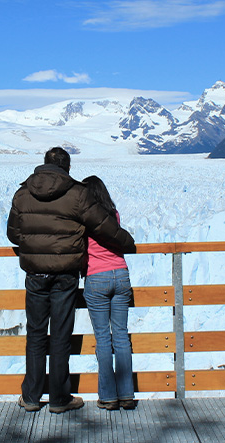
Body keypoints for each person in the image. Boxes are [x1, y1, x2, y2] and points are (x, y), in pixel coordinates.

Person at [7, 147, 136, 414]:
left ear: (43, 165)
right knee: (61, 336)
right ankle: (58, 399)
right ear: (67, 168)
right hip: (65, 275)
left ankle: (31, 397)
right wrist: (128, 243)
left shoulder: (22, 194)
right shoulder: (77, 194)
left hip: (35, 275)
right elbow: (103, 226)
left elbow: (13, 234)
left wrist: (35, 246)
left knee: (35, 334)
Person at [82, 175, 136, 411]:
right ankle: (126, 395)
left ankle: (108, 397)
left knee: (103, 338)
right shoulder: (113, 214)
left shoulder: (84, 218)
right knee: (121, 336)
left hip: (97, 277)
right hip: (121, 275)